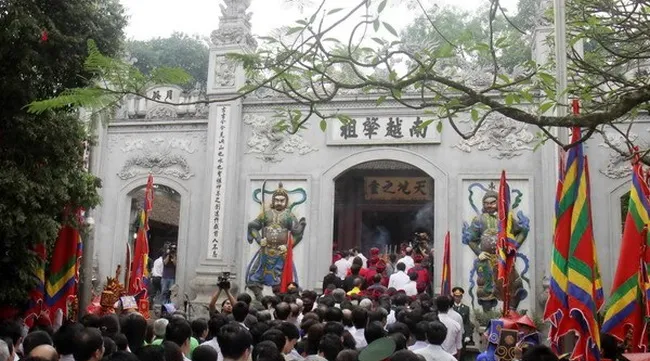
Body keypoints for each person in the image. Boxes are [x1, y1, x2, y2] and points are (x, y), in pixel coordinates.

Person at [465, 190, 528, 311]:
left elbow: (523, 231)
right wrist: (479, 253)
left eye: (493, 202)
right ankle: (487, 318)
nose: (489, 205)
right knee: (485, 290)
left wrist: (513, 247)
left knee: (514, 285)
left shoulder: (506, 218)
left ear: (498, 203)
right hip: (486, 260)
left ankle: (511, 313)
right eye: (486, 203)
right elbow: (470, 239)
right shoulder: (478, 220)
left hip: (504, 259)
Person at [246, 183, 307, 293]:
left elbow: (298, 234)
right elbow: (252, 226)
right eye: (277, 200)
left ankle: (278, 301)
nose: (279, 202)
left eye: (282, 200)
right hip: (265, 250)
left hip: (281, 253)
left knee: (280, 281)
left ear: (286, 201)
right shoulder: (266, 214)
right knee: (254, 278)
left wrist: (288, 246)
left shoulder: (289, 216)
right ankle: (259, 298)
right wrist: (259, 239)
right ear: (273, 201)